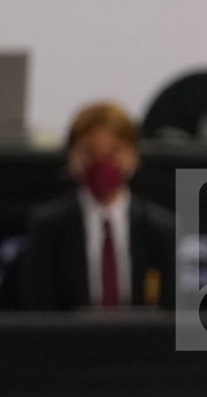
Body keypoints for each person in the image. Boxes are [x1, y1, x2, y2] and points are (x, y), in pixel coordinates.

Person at [20, 102, 175, 310]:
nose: (101, 164)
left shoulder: (161, 228)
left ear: (134, 156)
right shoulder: (48, 226)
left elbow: (171, 313)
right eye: (89, 153)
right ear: (71, 156)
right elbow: (38, 309)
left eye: (113, 154)